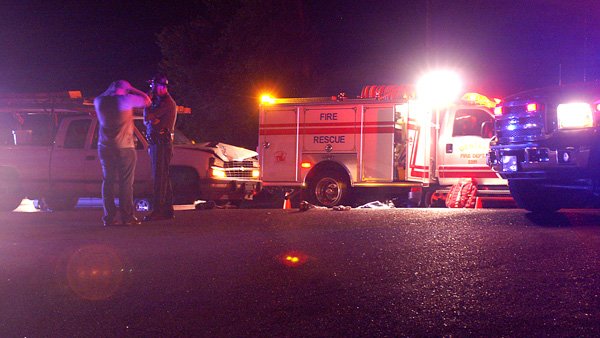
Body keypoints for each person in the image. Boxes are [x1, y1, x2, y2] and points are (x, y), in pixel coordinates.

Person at [94, 80, 151, 226]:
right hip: (125, 147)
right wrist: (134, 88)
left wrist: (111, 89)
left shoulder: (99, 101)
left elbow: (101, 95)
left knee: (108, 181)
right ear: (126, 90)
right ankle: (127, 216)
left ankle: (109, 217)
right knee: (126, 183)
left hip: (105, 147)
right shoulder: (126, 99)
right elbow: (147, 101)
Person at [143, 73, 178, 221]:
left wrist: (147, 105)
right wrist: (152, 119)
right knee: (163, 175)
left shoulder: (167, 103)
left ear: (161, 86)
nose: (151, 88)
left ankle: (158, 210)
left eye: (153, 85)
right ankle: (167, 209)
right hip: (158, 141)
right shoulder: (161, 102)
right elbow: (149, 121)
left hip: (161, 142)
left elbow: (147, 118)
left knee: (159, 177)